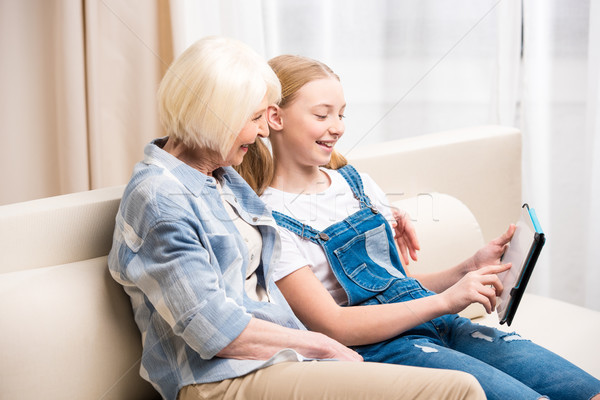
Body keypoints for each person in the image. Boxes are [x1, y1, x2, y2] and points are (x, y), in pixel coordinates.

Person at [108, 37, 487, 400]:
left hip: (282, 358)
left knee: (461, 380)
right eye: (254, 117)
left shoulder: (220, 176)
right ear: (216, 117)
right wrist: (320, 342)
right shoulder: (160, 199)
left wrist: (378, 213)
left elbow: (293, 219)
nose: (261, 132)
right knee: (459, 389)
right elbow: (215, 332)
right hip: (221, 380)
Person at [236, 54, 600, 400]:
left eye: (342, 114)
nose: (338, 128)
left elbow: (400, 290)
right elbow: (333, 324)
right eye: (322, 115)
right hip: (383, 349)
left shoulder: (356, 183)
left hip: (441, 323)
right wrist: (447, 300)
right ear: (275, 118)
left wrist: (467, 269)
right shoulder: (267, 219)